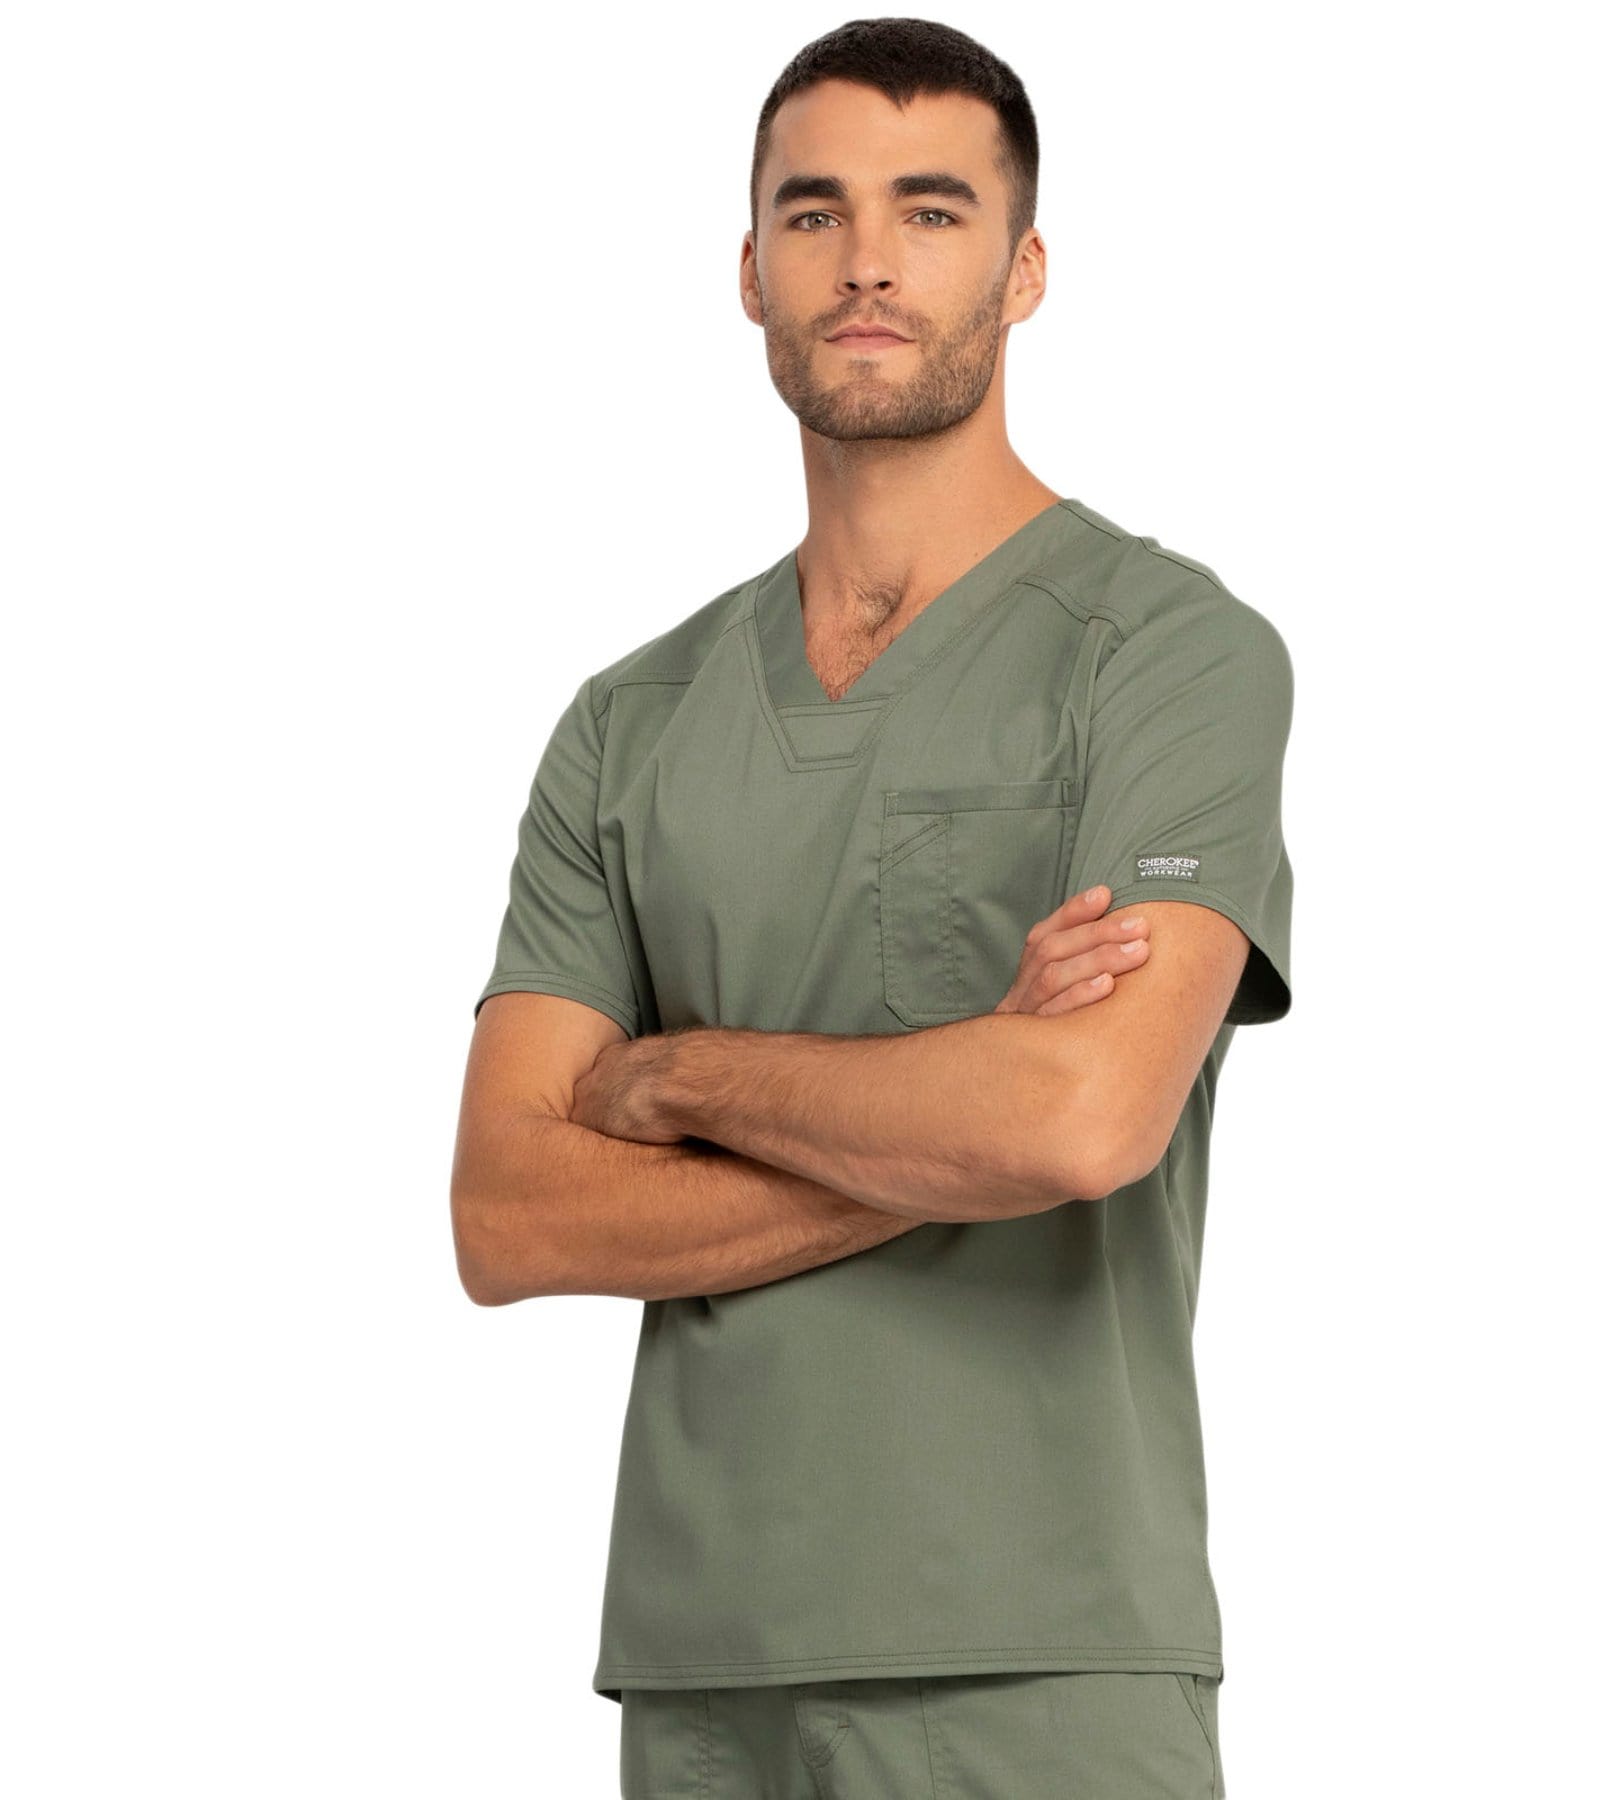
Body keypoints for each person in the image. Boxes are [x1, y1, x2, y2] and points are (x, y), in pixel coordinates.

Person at [451, 18, 1294, 1797]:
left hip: (1042, 1655)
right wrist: (956, 1109)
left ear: (1025, 269)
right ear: (750, 270)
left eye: (931, 209)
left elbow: (1082, 1119)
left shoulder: (1165, 657)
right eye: (814, 211)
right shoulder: (631, 723)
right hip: (702, 1666)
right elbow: (508, 1212)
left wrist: (679, 1081)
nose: (868, 263)